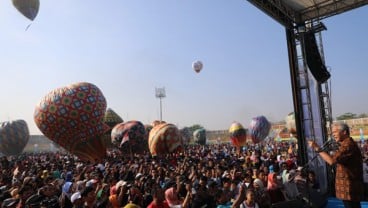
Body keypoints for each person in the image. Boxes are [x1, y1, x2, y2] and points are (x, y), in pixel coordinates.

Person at [308, 122, 363, 208]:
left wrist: (317, 148)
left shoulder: (348, 145)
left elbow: (332, 161)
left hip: (349, 188)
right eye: (332, 133)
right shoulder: (346, 143)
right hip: (348, 188)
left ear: (344, 132)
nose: (333, 135)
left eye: (335, 132)